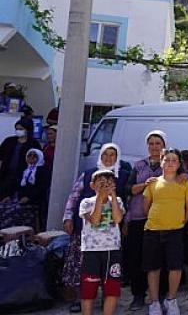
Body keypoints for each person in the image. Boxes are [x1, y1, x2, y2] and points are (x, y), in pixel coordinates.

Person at [62, 143, 131, 314]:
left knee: (111, 283)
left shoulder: (123, 175)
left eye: (112, 155)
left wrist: (112, 197)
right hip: (89, 240)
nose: (108, 158)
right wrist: (68, 216)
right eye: (105, 154)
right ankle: (79, 300)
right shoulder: (88, 176)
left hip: (111, 245)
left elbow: (121, 212)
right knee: (85, 275)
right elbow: (74, 196)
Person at [143, 148, 188, 315]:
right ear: (161, 161)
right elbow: (146, 206)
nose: (170, 163)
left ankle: (171, 300)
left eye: (174, 160)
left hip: (175, 231)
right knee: (153, 268)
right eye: (167, 159)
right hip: (152, 230)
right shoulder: (152, 182)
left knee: (175, 267)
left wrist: (180, 222)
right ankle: (154, 302)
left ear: (179, 163)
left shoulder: (185, 182)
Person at [125, 131, 166, 310]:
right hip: (139, 217)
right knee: (137, 257)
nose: (155, 147)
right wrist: (146, 185)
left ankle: (160, 295)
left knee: (160, 257)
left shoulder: (170, 163)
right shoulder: (139, 165)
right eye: (151, 143)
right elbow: (128, 189)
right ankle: (138, 295)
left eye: (158, 143)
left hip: (161, 219)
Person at [78, 169, 125, 315]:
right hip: (91, 251)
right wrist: (100, 198)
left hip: (112, 250)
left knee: (112, 288)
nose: (106, 186)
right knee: (88, 289)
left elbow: (118, 219)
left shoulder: (117, 201)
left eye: (109, 184)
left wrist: (112, 196)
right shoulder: (86, 202)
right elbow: (94, 220)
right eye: (102, 184)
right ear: (93, 185)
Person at [0, 148, 49, 230]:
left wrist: (29, 197)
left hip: (33, 200)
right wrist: (9, 196)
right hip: (18, 198)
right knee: (2, 207)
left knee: (13, 210)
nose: (31, 158)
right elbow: (16, 185)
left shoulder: (42, 171)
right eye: (29, 156)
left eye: (34, 156)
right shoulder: (24, 169)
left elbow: (41, 188)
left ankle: (14, 232)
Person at [0, 118, 41, 198]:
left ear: (27, 129)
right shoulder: (9, 141)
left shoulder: (33, 143)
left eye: (21, 129)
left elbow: (38, 162)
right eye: (17, 129)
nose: (18, 131)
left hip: (23, 177)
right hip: (6, 176)